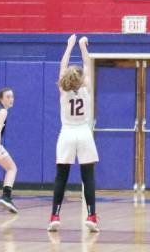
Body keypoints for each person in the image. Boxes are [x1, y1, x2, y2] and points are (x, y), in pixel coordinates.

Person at [48, 34, 99, 232]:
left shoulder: (63, 90)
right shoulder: (86, 89)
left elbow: (62, 66)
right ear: (80, 79)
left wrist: (69, 46)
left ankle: (55, 216)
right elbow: (87, 63)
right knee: (88, 177)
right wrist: (82, 46)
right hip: (84, 133)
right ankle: (92, 217)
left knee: (61, 176)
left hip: (67, 133)